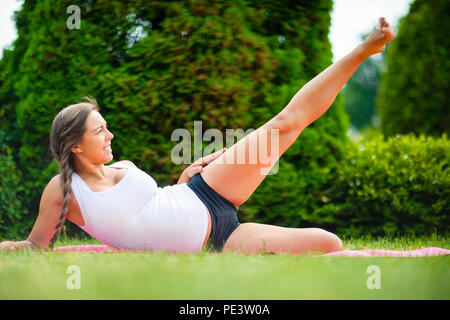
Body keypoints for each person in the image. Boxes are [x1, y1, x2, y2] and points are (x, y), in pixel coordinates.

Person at [0, 17, 395, 255]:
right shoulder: (62, 189)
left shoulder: (120, 165)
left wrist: (186, 177)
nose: (110, 133)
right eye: (100, 130)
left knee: (283, 125)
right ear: (74, 145)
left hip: (205, 189)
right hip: (220, 240)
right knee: (329, 244)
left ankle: (363, 50)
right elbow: (35, 247)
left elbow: (153, 207)